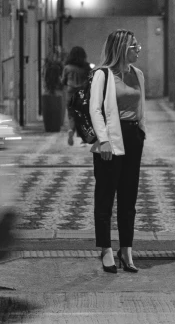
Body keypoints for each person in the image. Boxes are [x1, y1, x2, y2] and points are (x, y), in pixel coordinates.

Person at [90, 29, 146, 274]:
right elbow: (95, 110)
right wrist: (103, 140)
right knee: (105, 197)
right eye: (134, 46)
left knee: (128, 198)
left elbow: (140, 106)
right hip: (111, 139)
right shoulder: (103, 75)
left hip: (133, 137)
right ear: (122, 48)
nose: (138, 50)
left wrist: (141, 131)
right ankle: (105, 249)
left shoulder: (139, 74)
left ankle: (126, 249)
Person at [61, 46, 91, 146]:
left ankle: (71, 130)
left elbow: (63, 81)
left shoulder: (67, 67)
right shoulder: (86, 67)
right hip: (82, 94)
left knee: (71, 115)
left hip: (70, 93)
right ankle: (83, 139)